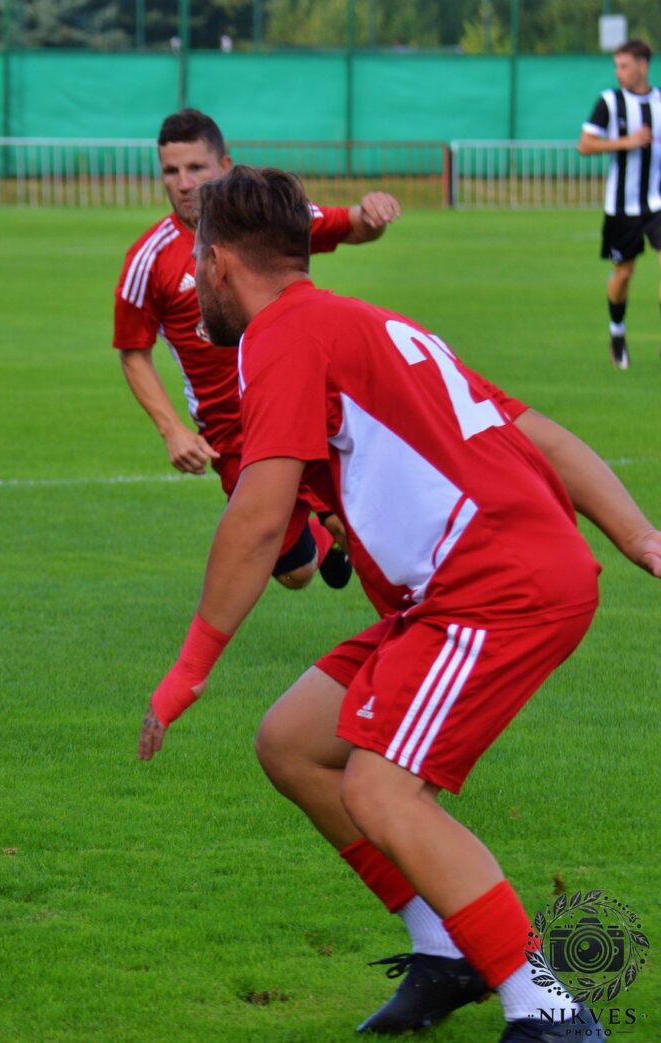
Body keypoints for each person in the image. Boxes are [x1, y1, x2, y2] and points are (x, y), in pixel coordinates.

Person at [137, 166, 661, 1041]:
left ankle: (549, 1008)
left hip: (497, 587)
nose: (195, 279)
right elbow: (538, 432)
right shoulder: (371, 323)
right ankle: (446, 948)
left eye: (197, 260)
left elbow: (258, 517)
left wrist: (188, 670)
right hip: (460, 591)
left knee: (382, 789)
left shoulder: (280, 337)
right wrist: (641, 537)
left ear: (220, 261)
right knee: (295, 744)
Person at [113, 109, 403, 593]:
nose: (183, 183)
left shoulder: (267, 220)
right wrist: (172, 431)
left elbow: (352, 225)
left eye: (196, 168)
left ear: (224, 165)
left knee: (361, 527)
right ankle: (318, 533)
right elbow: (133, 351)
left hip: (301, 402)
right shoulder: (150, 259)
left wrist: (372, 212)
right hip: (232, 433)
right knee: (295, 572)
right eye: (171, 171)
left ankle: (418, 624)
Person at [578, 38, 661, 370]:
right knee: (623, 274)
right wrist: (628, 141)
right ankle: (617, 332)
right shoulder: (609, 102)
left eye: (624, 65)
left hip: (657, 202)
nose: (619, 72)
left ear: (643, 65)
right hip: (621, 207)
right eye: (616, 66)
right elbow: (585, 145)